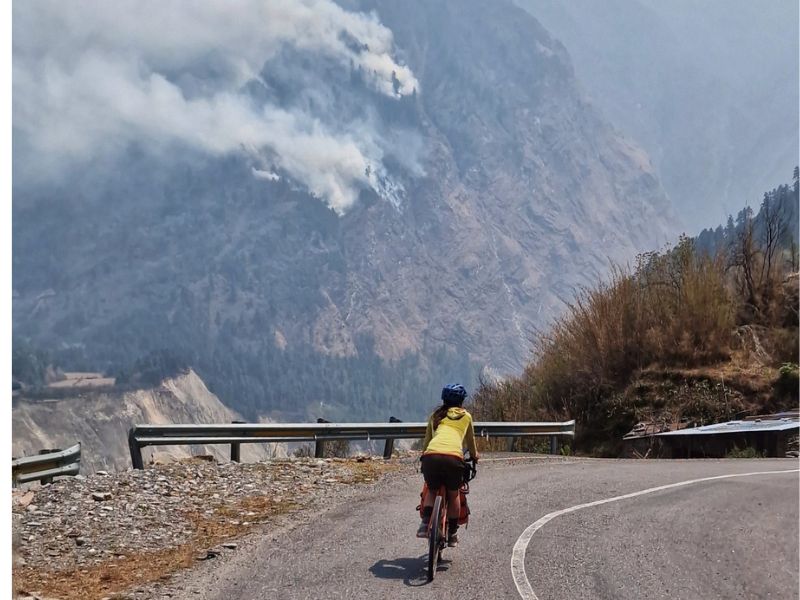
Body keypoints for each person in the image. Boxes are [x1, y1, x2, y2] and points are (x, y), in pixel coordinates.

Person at [416, 383, 479, 547]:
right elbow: (471, 443)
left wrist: (425, 456)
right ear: (461, 401)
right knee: (453, 494)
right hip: (453, 458)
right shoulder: (466, 416)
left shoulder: (435, 416)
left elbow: (427, 441)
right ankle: (452, 533)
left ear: (443, 399)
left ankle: (424, 524)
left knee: (431, 489)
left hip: (432, 456)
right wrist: (475, 456)